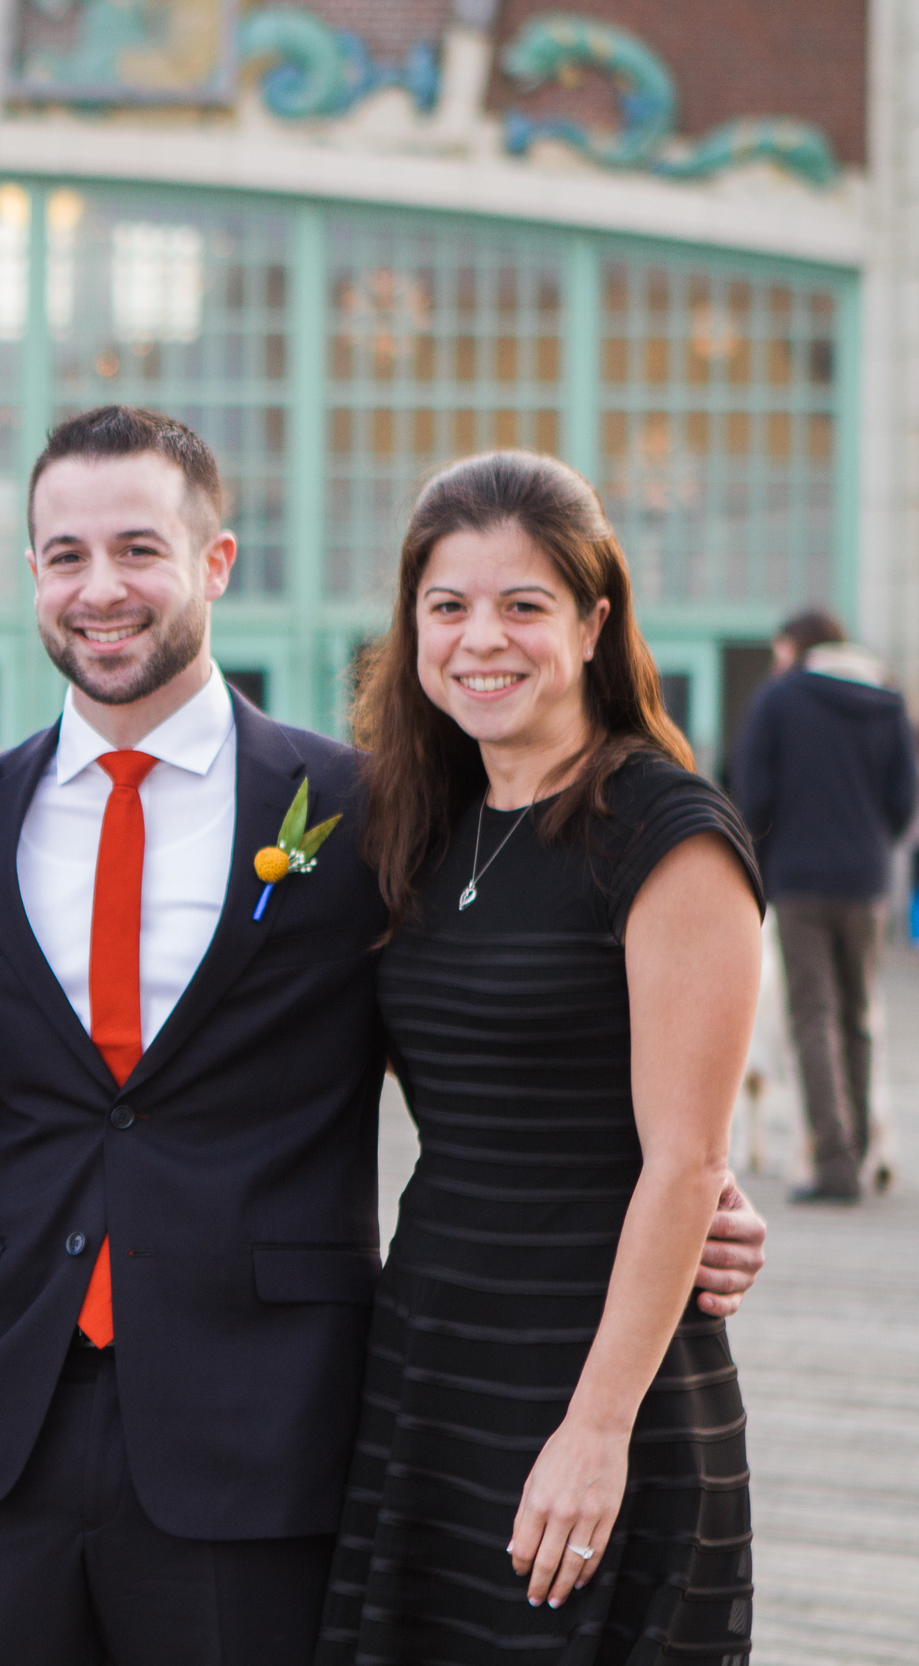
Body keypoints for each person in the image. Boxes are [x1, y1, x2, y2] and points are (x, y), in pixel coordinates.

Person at [0, 410, 767, 1666]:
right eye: (66, 553)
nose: (103, 587)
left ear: (216, 561)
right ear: (31, 573)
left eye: (140, 546)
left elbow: (538, 1028)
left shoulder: (365, 816)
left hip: (261, 1435)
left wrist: (703, 1195)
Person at [317, 451, 762, 1660]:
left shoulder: (666, 835)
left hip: (594, 1373)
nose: (482, 639)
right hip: (433, 1361)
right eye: (447, 605)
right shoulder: (427, 824)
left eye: (524, 605)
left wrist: (594, 1430)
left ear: (593, 622)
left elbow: (683, 1162)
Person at [731, 606, 917, 1203]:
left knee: (812, 1016)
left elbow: (749, 790)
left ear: (800, 647)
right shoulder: (888, 701)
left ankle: (834, 1163)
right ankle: (859, 1152)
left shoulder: (780, 699)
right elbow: (904, 797)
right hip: (865, 884)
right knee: (858, 1014)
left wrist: (760, 852)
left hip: (799, 881)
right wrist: (871, 845)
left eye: (781, 647)